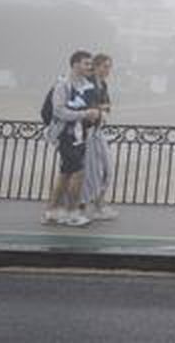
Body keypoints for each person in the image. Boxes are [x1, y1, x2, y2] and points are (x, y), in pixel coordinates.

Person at [42, 51, 100, 226]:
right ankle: (72, 213)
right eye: (86, 63)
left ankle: (52, 211)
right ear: (75, 64)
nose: (89, 67)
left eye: (90, 64)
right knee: (78, 173)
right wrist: (85, 114)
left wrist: (94, 114)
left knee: (66, 174)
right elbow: (58, 111)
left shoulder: (85, 85)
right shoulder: (63, 85)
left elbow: (88, 107)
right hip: (65, 135)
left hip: (79, 134)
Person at [78, 53, 117, 221]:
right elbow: (91, 108)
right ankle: (86, 206)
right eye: (105, 66)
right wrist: (100, 109)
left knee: (107, 169)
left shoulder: (103, 85)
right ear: (96, 66)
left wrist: (101, 109)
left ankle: (98, 204)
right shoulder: (89, 84)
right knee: (90, 171)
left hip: (98, 131)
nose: (108, 70)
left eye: (109, 67)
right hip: (88, 133)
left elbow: (107, 108)